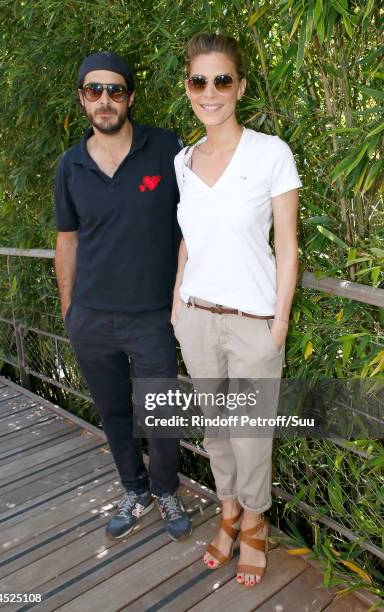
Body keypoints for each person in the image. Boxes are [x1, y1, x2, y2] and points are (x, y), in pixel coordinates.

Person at [172, 33, 302, 586]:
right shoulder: (182, 161)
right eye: (200, 81)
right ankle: (228, 513)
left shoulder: (270, 153)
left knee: (251, 432)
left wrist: (279, 322)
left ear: (240, 86)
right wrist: (178, 303)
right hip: (196, 318)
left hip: (253, 324)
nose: (211, 92)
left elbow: (289, 244)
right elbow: (186, 239)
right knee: (216, 432)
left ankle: (255, 521)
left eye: (222, 79)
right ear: (188, 89)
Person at [54, 51, 192, 542]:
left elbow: (190, 225)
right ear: (82, 100)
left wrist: (180, 291)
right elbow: (66, 240)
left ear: (129, 97)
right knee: (114, 412)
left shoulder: (166, 150)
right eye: (95, 90)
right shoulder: (69, 165)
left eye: (115, 90)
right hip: (91, 319)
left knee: (160, 411)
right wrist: (69, 310)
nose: (105, 100)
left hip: (153, 315)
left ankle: (166, 489)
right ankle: (134, 489)